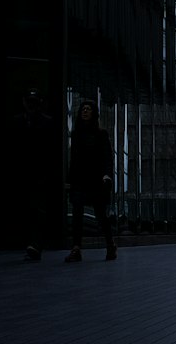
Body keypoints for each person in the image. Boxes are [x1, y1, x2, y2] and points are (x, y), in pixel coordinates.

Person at [65, 99, 115, 262]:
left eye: (88, 109)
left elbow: (107, 157)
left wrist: (107, 175)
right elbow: (74, 159)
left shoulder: (101, 134)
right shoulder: (77, 134)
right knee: (77, 213)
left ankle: (110, 244)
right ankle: (76, 248)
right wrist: (69, 180)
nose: (85, 111)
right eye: (83, 109)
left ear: (94, 113)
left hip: (95, 180)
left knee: (101, 215)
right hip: (80, 180)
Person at [12, 89, 58, 260]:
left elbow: (51, 150)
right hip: (22, 173)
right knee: (25, 208)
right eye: (29, 101)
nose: (31, 105)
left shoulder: (47, 123)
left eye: (34, 102)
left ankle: (36, 244)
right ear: (24, 102)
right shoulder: (17, 122)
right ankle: (30, 242)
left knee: (37, 209)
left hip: (40, 174)